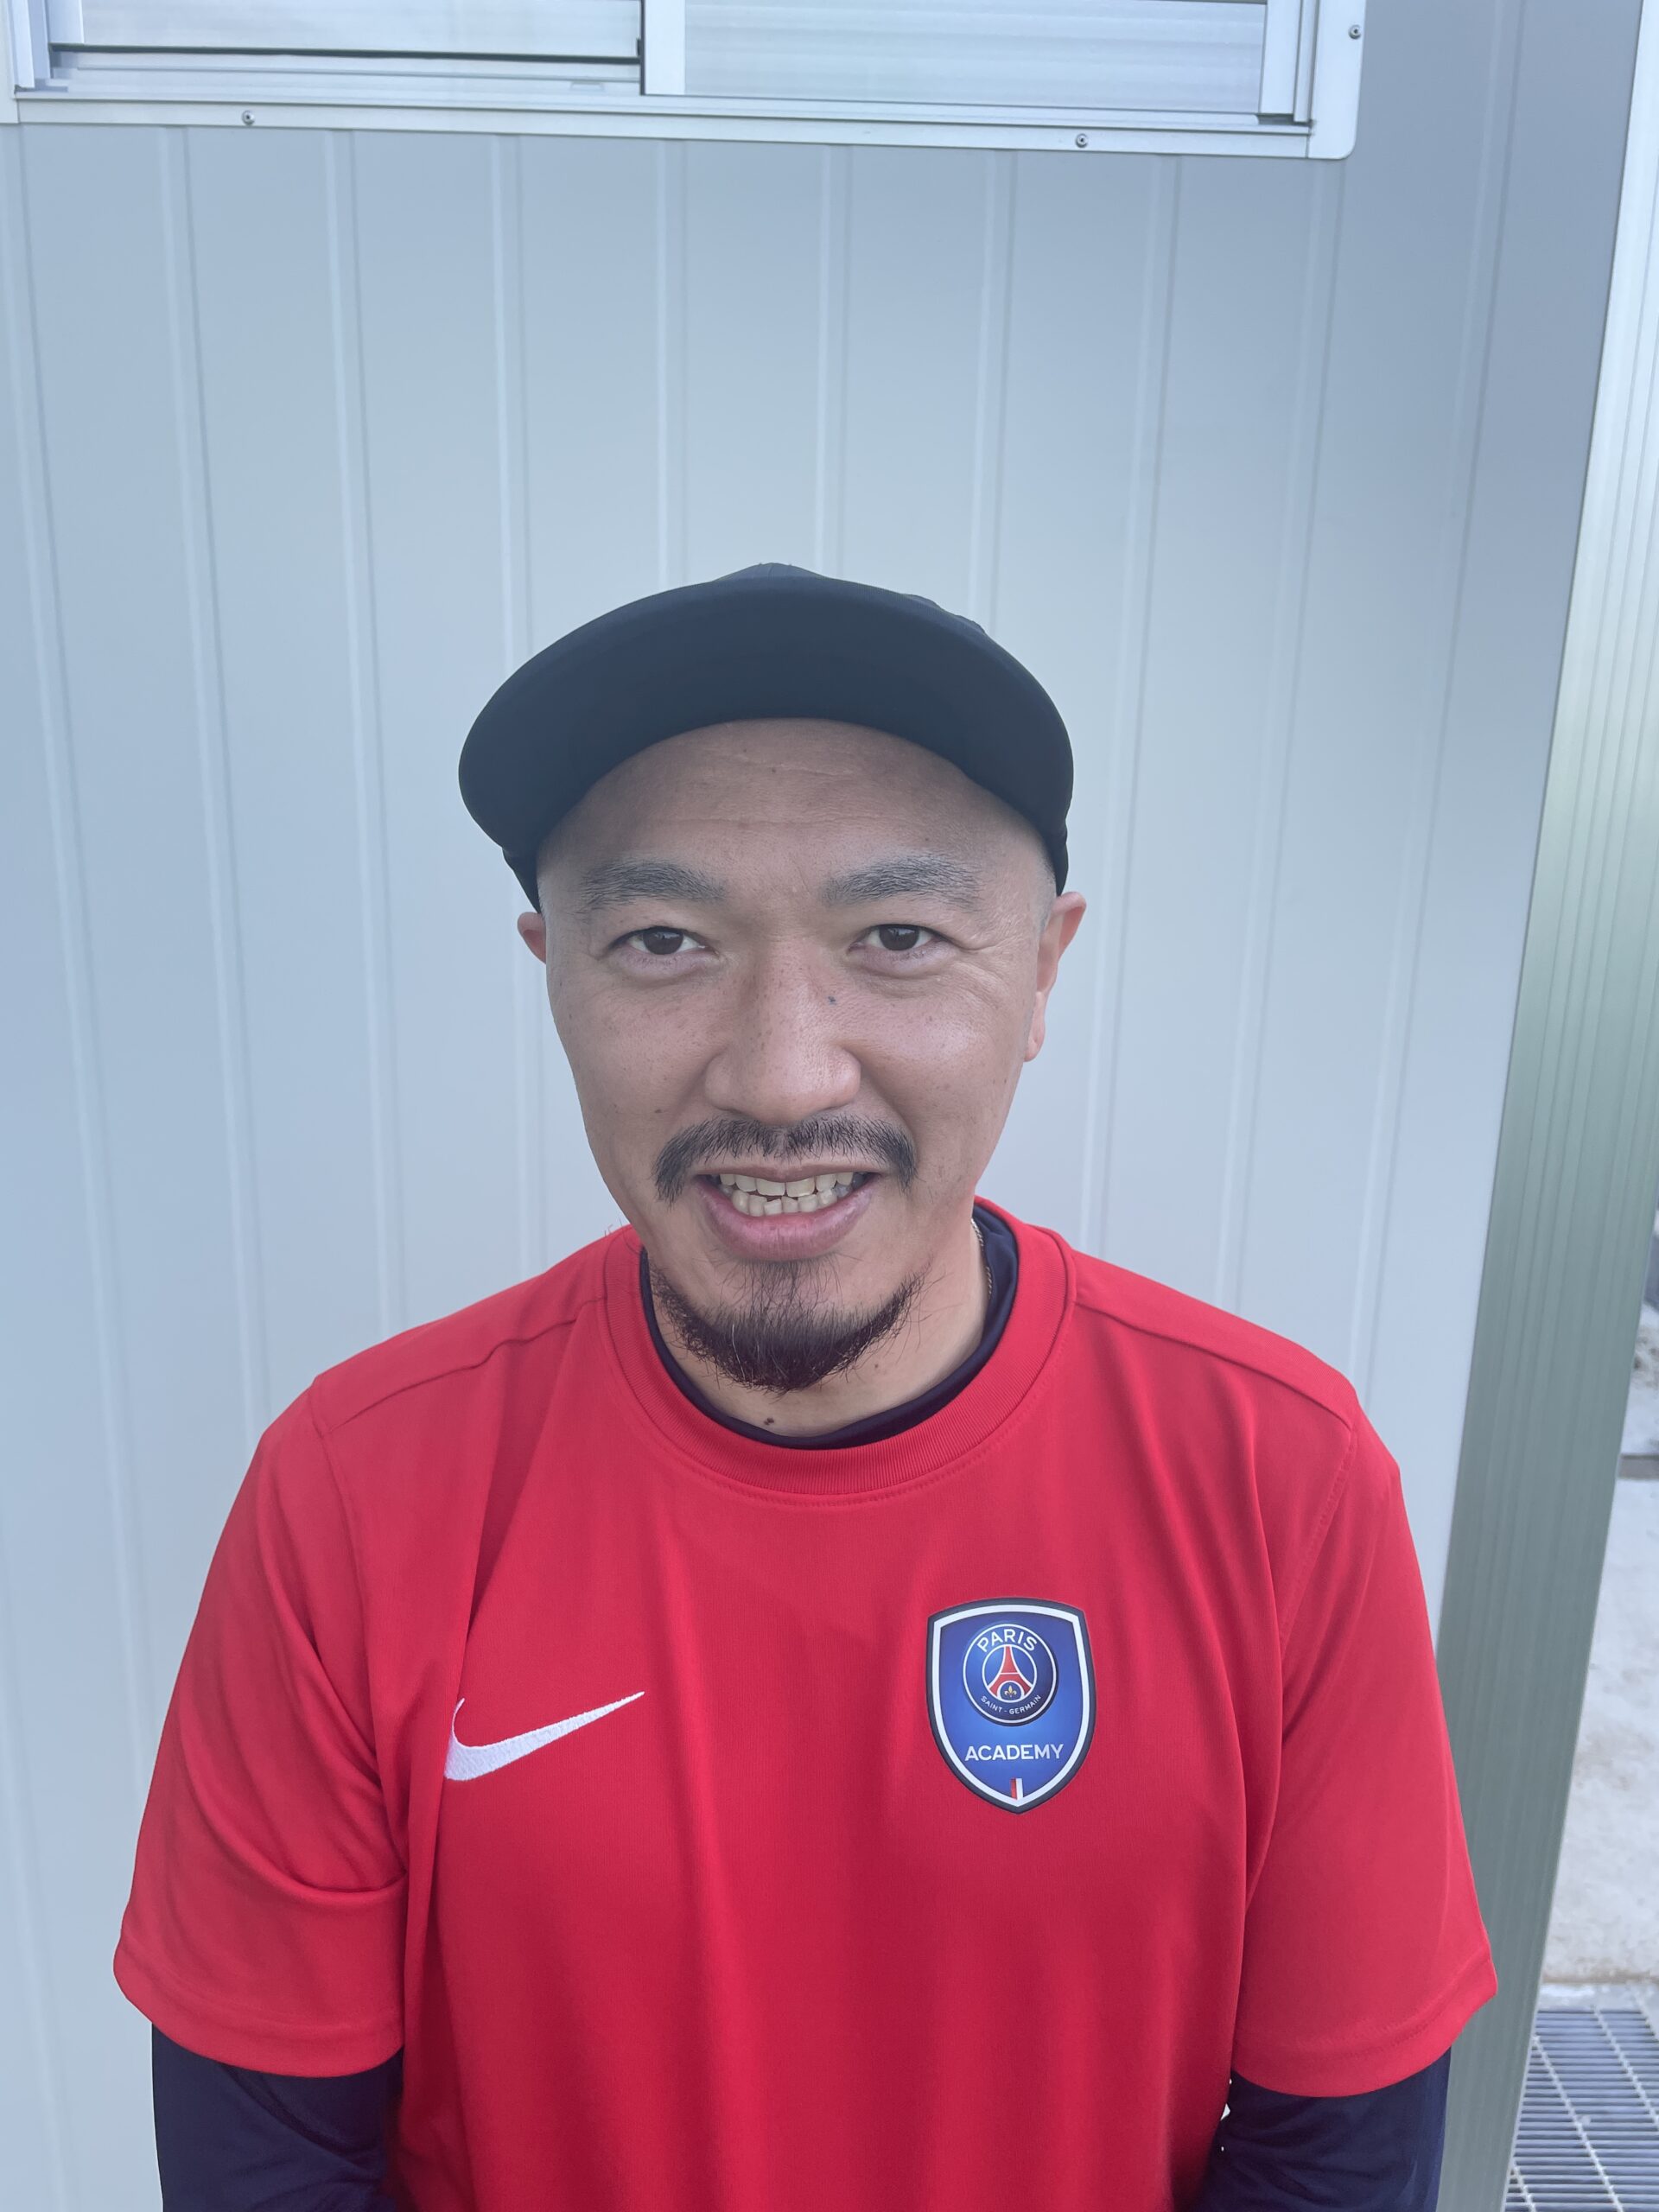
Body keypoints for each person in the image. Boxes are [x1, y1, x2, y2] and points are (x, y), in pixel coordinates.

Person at [117, 564, 1497, 2209]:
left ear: (1041, 972)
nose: (782, 1073)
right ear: (551, 969)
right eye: (664, 942)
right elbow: (267, 2168)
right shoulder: (354, 1495)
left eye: (897, 938)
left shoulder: (1283, 1481)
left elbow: (1336, 2160)